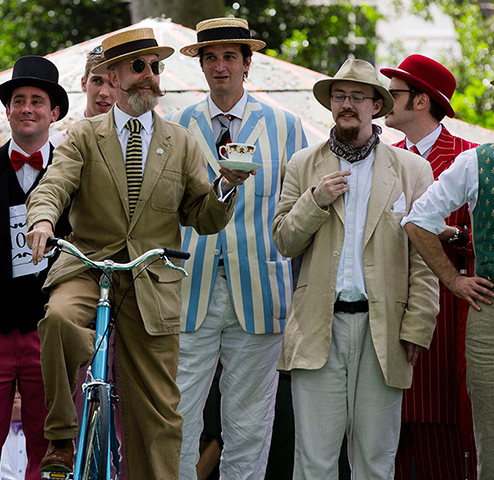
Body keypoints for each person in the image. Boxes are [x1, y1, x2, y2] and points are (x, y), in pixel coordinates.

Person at [26, 27, 245, 479]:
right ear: (112, 75)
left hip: (150, 277)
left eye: (155, 67)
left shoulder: (181, 141)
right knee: (60, 320)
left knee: (160, 413)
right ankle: (62, 437)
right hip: (89, 265)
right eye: (138, 67)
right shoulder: (84, 134)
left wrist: (225, 187)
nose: (149, 76)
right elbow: (54, 184)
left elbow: (201, 217)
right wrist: (43, 220)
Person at [271, 58, 439, 479]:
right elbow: (284, 242)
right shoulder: (303, 164)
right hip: (317, 327)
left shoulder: (412, 170)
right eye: (340, 96)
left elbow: (425, 256)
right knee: (313, 461)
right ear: (330, 104)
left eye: (358, 97)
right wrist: (315, 200)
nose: (347, 104)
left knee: (375, 460)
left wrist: (418, 325)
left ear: (377, 106)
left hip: (383, 331)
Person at [169, 17, 307, 479]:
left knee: (249, 424)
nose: (220, 66)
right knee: (180, 417)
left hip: (261, 290)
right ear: (201, 66)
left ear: (248, 64)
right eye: (211, 57)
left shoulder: (287, 127)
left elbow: (298, 212)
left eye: (230, 56)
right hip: (191, 288)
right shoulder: (176, 126)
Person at [0, 55, 70, 480]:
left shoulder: (73, 172)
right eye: (18, 100)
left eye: (37, 101)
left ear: (54, 112)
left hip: (49, 326)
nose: (26, 108)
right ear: (6, 110)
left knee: (52, 449)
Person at [381, 54, 479, 479]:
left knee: (445, 446)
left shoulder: (470, 157)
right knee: (387, 446)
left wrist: (453, 237)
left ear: (421, 101)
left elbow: (486, 241)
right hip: (385, 322)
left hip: (447, 322)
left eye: (395, 93)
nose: (385, 101)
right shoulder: (383, 159)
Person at [402, 141, 494, 479]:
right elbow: (417, 220)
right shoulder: (476, 162)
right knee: (491, 439)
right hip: (490, 315)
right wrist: (454, 279)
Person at [49, 45, 115, 148]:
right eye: (97, 81)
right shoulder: (59, 144)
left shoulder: (134, 145)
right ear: (83, 83)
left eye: (113, 83)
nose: (104, 93)